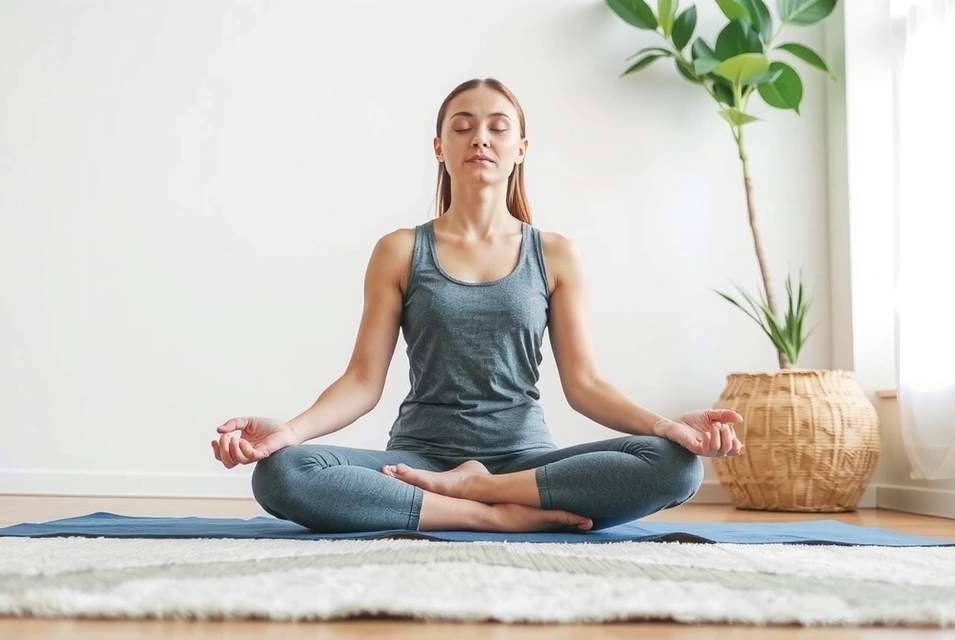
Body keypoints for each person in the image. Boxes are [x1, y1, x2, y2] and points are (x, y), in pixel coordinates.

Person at [211, 77, 744, 534]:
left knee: (678, 468)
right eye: (462, 126)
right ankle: (487, 514)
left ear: (522, 148)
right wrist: (290, 432)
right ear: (440, 147)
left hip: (525, 463)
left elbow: (586, 386)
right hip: (416, 462)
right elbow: (361, 382)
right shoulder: (400, 250)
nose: (480, 138)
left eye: (497, 126)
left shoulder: (555, 254)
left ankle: (483, 492)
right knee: (283, 473)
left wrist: (665, 427)